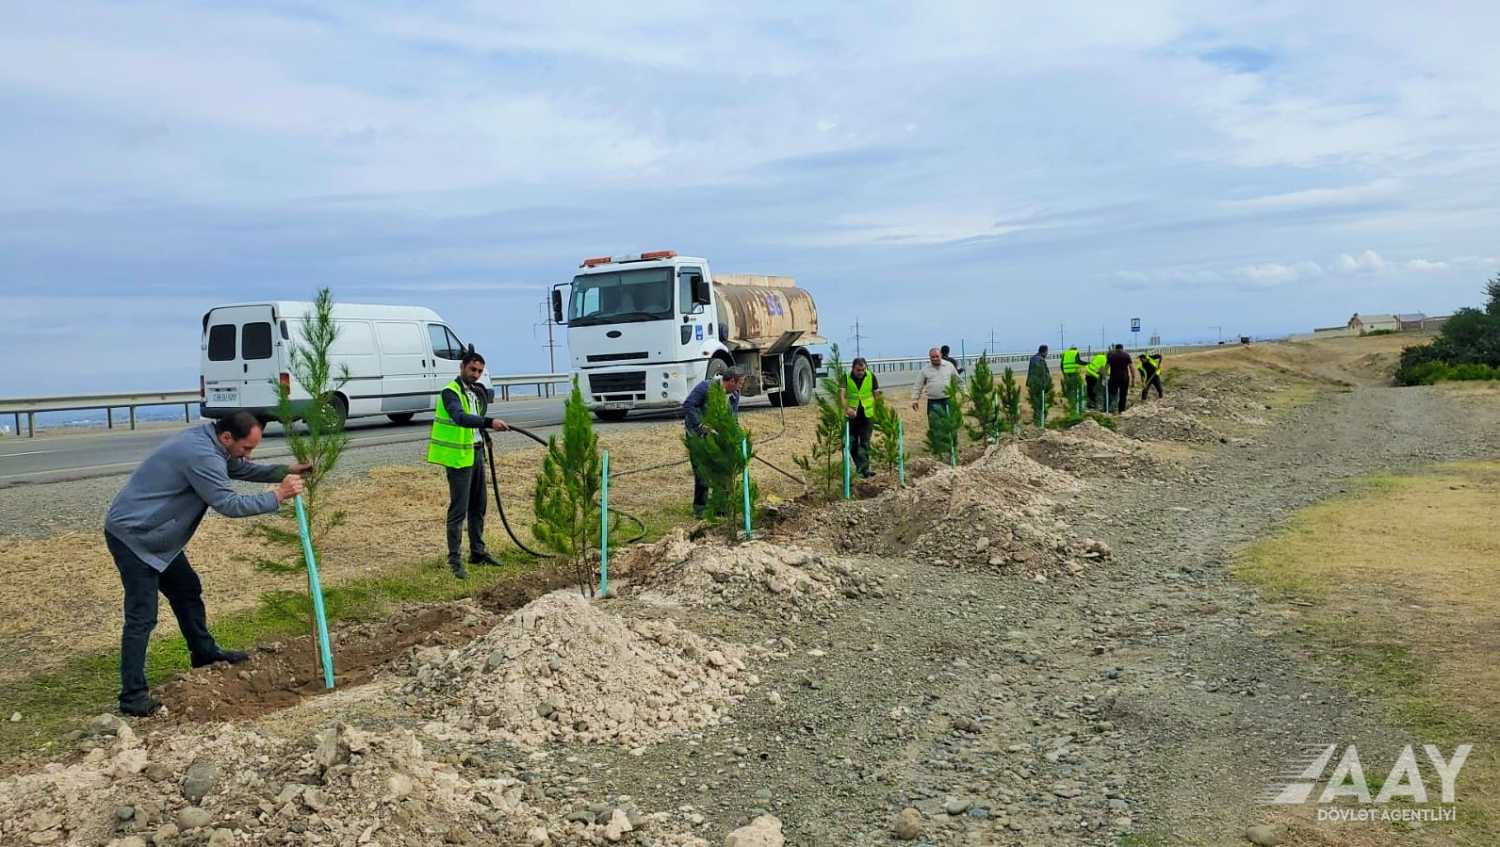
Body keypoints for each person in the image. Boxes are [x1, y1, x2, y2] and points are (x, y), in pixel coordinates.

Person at [104, 411, 310, 716]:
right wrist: (278, 495)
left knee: (187, 589)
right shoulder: (201, 454)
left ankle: (204, 653)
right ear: (227, 437)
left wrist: (284, 470)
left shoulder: (211, 441)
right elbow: (229, 504)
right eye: (247, 448)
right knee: (142, 616)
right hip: (136, 536)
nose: (248, 455)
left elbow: (237, 467)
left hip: (159, 537)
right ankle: (132, 696)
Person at [428, 345, 510, 580]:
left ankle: (478, 553)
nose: (475, 374)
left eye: (479, 371)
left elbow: (473, 419)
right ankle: (454, 561)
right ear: (462, 367)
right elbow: (460, 418)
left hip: (475, 454)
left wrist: (485, 435)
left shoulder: (473, 392)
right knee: (459, 510)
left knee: (479, 506)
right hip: (458, 459)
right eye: (472, 369)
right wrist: (489, 421)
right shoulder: (450, 392)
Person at [683, 366, 745, 518]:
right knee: (702, 472)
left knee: (721, 470)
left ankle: (720, 507)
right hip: (698, 436)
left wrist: (736, 436)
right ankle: (700, 509)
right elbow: (689, 405)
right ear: (731, 381)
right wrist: (699, 425)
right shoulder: (706, 387)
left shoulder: (734, 395)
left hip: (717, 437)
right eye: (740, 383)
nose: (741, 386)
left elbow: (733, 419)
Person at [845, 357, 881, 478]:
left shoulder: (871, 376)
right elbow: (840, 396)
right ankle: (860, 467)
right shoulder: (846, 378)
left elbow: (877, 394)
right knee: (852, 443)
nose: (861, 372)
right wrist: (847, 409)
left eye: (863, 369)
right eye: (858, 370)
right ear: (853, 368)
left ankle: (865, 470)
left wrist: (880, 411)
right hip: (852, 416)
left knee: (865, 442)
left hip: (867, 415)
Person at [911, 347, 960, 421]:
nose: (935, 358)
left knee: (950, 423)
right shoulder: (925, 370)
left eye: (937, 356)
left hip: (948, 400)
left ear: (941, 355)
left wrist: (964, 393)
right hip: (933, 402)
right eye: (932, 357)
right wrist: (915, 400)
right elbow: (918, 385)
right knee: (934, 425)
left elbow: (958, 381)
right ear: (929, 357)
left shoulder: (949, 366)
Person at [1106, 343, 1134, 413]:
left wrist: (1104, 376)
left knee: (1113, 393)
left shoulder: (1111, 356)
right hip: (1124, 378)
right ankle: (1121, 410)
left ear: (1115, 348)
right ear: (1122, 348)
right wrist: (1133, 378)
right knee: (1123, 395)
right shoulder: (1127, 355)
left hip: (1114, 377)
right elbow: (1131, 367)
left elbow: (1106, 367)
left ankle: (1113, 409)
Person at [1026, 344, 1051, 413]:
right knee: (1040, 402)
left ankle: (1037, 415)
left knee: (1035, 401)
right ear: (1044, 352)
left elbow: (1030, 372)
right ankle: (1040, 417)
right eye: (1047, 352)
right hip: (1039, 384)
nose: (1047, 354)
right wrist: (1046, 382)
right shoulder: (1041, 360)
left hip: (1032, 383)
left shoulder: (1033, 358)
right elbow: (1044, 373)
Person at [1059, 344, 1082, 410]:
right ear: (1075, 349)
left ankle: (1068, 399)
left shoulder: (1065, 353)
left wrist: (1063, 372)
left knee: (1068, 386)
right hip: (1073, 372)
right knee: (1074, 387)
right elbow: (1078, 362)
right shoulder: (1075, 353)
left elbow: (1061, 364)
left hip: (1066, 372)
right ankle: (1073, 402)